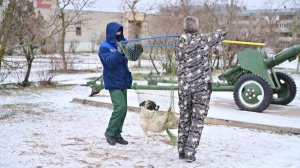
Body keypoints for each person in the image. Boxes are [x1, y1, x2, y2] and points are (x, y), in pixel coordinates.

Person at [175, 16, 227, 162]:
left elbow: (178, 58)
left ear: (184, 28)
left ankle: (181, 150)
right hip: (201, 89)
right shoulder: (205, 39)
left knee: (185, 118)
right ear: (197, 28)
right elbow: (222, 33)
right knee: (197, 120)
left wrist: (184, 35)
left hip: (184, 87)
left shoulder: (179, 41)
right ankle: (189, 153)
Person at [98, 21, 132, 145]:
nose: (119, 33)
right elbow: (109, 63)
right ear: (111, 32)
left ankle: (117, 134)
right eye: (116, 31)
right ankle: (110, 132)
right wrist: (119, 52)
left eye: (120, 31)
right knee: (120, 107)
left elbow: (128, 59)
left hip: (122, 80)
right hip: (112, 81)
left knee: (124, 109)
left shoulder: (122, 43)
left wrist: (131, 50)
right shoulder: (104, 47)